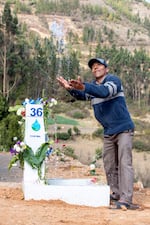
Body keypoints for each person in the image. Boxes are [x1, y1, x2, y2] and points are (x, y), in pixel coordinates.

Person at [57, 58, 139, 210]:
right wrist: (70, 88)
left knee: (124, 163)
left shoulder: (113, 81)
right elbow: (82, 95)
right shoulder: (93, 87)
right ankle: (115, 194)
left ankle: (126, 200)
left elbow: (104, 92)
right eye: (93, 67)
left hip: (123, 129)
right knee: (109, 164)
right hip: (109, 132)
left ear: (106, 69)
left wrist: (84, 86)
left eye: (99, 66)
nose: (95, 68)